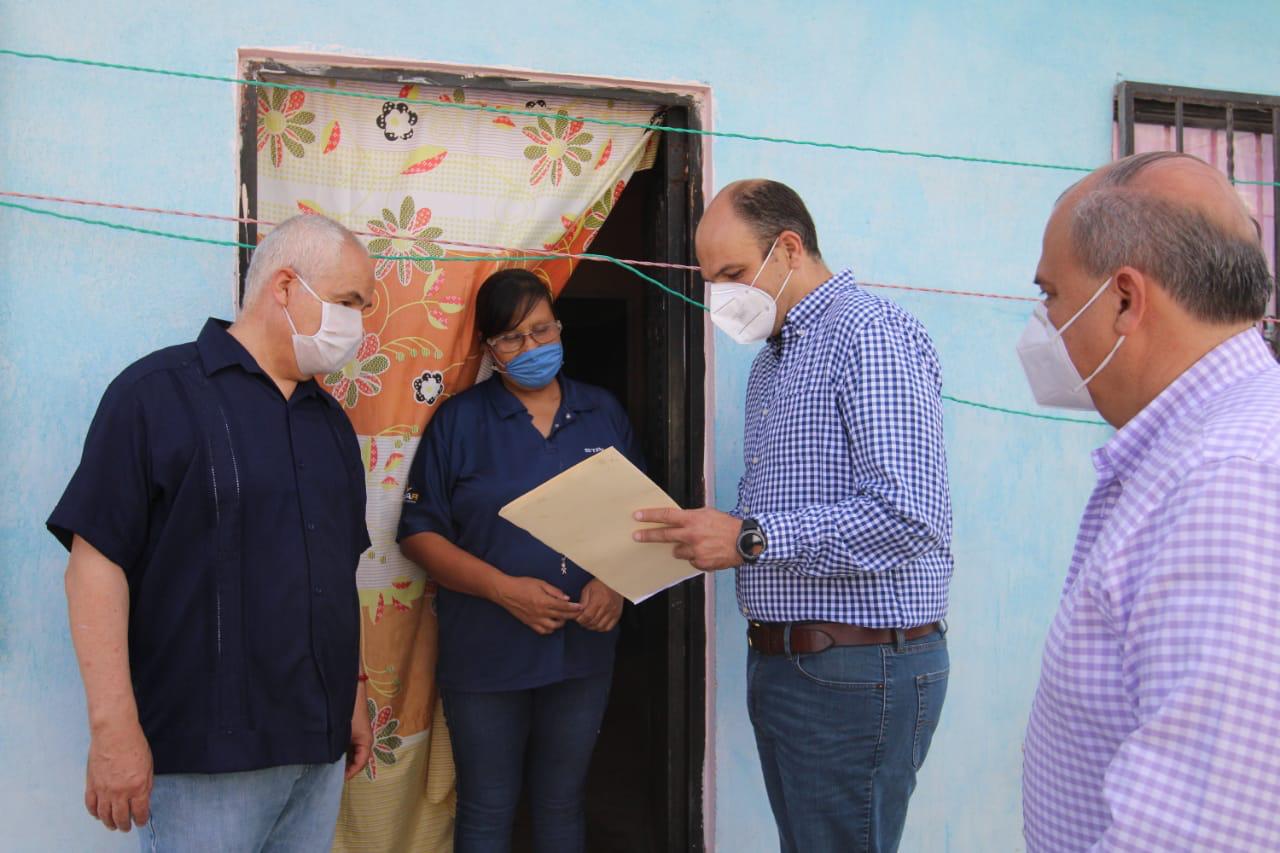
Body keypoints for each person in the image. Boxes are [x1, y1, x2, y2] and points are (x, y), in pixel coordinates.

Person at [635, 179, 954, 852]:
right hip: (792, 664)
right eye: (709, 280)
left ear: (788, 248)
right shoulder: (774, 364)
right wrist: (716, 532)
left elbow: (908, 513)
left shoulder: (869, 334)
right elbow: (781, 516)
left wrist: (749, 536)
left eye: (732, 273)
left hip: (858, 667)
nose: (719, 296)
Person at [47, 214, 377, 852]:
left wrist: (354, 696)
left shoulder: (330, 423)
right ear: (284, 287)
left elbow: (339, 572)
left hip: (319, 749)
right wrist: (113, 730)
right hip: (205, 762)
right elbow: (95, 565)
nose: (356, 324)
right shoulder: (155, 396)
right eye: (348, 302)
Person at [1020, 151, 1280, 851]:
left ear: (1126, 300)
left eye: (1050, 295)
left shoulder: (1230, 480)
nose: (1042, 325)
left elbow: (1203, 831)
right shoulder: (1197, 448)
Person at [397, 269, 640, 853]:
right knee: (487, 806)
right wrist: (503, 589)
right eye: (512, 338)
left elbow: (641, 519)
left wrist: (613, 582)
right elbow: (419, 533)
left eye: (541, 330)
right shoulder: (460, 422)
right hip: (486, 650)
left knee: (561, 803)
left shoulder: (601, 413)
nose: (531, 348)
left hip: (582, 649)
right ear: (489, 349)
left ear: (559, 327)